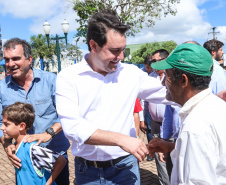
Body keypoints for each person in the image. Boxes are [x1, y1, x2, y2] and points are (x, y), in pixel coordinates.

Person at [56, 10, 170, 184]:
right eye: (115, 51)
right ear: (93, 46)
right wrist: (121, 139)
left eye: (123, 50)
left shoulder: (131, 73)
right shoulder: (68, 77)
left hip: (125, 168)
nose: (121, 57)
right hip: (87, 172)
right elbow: (72, 127)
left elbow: (168, 95)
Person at [148, 43, 226, 184]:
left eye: (167, 76)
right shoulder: (217, 107)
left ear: (183, 80)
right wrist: (173, 147)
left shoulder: (194, 127)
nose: (163, 83)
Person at [0, 38, 70, 185]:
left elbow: (67, 114)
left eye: (16, 58)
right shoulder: (2, 88)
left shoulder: (51, 81)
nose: (10, 64)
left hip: (55, 157)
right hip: (23, 159)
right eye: (7, 59)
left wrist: (48, 134)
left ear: (29, 59)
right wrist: (7, 146)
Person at [0, 102, 67, 185]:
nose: (1, 127)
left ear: (21, 126)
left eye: (6, 124)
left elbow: (61, 161)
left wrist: (48, 183)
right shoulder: (16, 145)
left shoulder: (32, 148)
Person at [148, 49, 170, 185]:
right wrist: (144, 120)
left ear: (164, 60)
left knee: (171, 157)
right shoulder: (150, 77)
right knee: (159, 157)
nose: (153, 64)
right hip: (155, 124)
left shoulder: (172, 76)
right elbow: (145, 101)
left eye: (155, 61)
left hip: (170, 126)